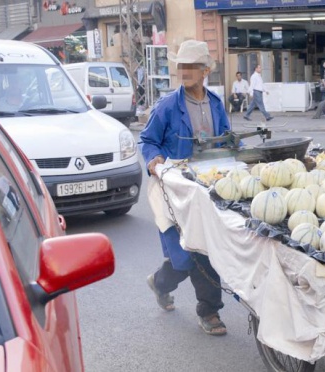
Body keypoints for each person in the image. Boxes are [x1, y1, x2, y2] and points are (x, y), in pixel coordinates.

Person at [139, 40, 229, 336]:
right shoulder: (167, 106)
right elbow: (148, 140)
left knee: (206, 248)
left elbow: (226, 140)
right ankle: (164, 285)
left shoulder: (215, 104)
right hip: (175, 190)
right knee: (185, 256)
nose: (184, 71)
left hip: (208, 186)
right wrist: (155, 160)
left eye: (191, 66)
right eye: (181, 66)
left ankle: (207, 308)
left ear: (205, 71)